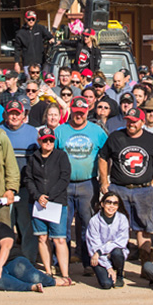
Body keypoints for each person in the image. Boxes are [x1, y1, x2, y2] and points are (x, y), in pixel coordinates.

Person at [98, 107, 153, 263]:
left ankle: (146, 265)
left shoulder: (151, 139)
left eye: (135, 121)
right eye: (129, 121)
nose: (131, 124)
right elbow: (103, 157)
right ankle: (115, 265)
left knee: (144, 229)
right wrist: (104, 181)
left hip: (143, 190)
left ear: (142, 122)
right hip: (118, 188)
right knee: (114, 227)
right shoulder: (116, 136)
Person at [54, 96, 108, 275]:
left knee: (87, 224)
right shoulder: (60, 131)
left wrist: (104, 179)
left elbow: (107, 155)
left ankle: (88, 262)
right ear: (71, 111)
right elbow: (51, 154)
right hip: (64, 184)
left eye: (82, 113)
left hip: (88, 184)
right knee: (63, 223)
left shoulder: (97, 131)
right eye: (76, 113)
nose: (78, 116)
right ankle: (61, 262)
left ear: (86, 112)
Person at [0, 203, 61, 291]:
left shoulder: (2, 227)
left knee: (33, 277)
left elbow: (6, 246)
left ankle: (53, 281)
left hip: (12, 261)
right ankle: (30, 287)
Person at [24, 127, 72, 282]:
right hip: (38, 203)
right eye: (45, 140)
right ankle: (48, 271)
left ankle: (65, 274)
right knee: (42, 238)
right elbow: (28, 179)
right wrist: (38, 196)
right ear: (39, 141)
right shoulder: (33, 158)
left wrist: (49, 196)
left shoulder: (61, 156)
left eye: (51, 140)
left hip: (57, 203)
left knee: (59, 239)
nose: (48, 143)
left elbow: (65, 178)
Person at [85, 192, 130, 289]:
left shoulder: (122, 219)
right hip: (98, 257)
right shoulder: (94, 221)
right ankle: (108, 271)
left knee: (117, 252)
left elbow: (120, 243)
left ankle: (119, 275)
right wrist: (108, 267)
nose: (111, 206)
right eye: (108, 202)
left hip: (112, 253)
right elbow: (94, 246)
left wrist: (101, 251)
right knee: (106, 284)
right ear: (102, 204)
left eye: (115, 203)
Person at [14, 9, 54, 75]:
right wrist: (16, 63)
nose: (31, 21)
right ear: (25, 20)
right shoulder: (20, 33)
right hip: (27, 63)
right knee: (30, 81)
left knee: (40, 81)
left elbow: (50, 36)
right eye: (29, 19)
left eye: (33, 19)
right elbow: (17, 50)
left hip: (40, 62)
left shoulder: (40, 28)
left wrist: (52, 39)